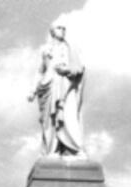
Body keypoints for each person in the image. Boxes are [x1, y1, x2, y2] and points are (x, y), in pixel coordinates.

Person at [28, 19, 85, 156]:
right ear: (52, 31)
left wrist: (67, 71)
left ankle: (72, 149)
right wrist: (33, 90)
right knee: (49, 122)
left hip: (66, 86)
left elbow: (80, 68)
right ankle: (51, 150)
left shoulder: (71, 48)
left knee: (68, 116)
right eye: (59, 28)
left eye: (64, 28)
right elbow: (40, 71)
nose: (63, 30)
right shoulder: (44, 49)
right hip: (47, 86)